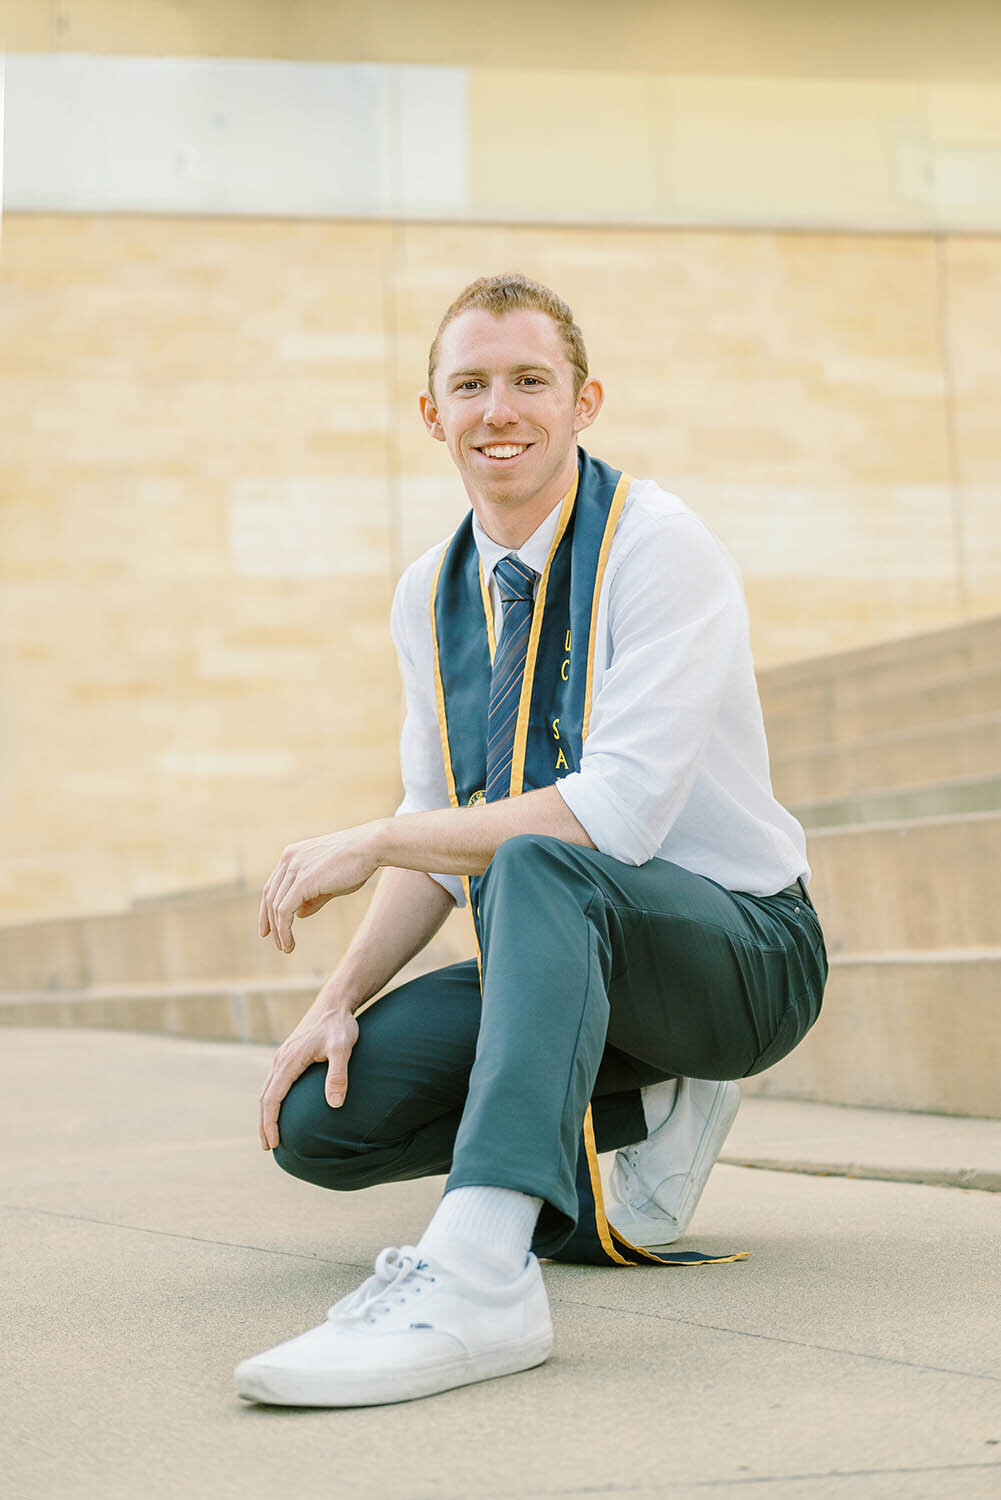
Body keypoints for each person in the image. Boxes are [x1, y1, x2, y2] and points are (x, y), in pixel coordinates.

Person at [234, 273, 828, 1409]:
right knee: (321, 1124)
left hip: (742, 958)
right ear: (431, 414)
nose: (498, 409)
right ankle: (651, 1108)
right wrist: (336, 1002)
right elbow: (436, 845)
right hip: (565, 952)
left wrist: (374, 836)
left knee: (539, 858)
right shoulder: (431, 592)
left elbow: (613, 816)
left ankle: (479, 1274)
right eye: (469, 385)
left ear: (583, 401)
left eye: (527, 382)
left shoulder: (658, 545)